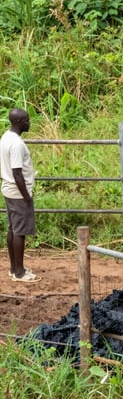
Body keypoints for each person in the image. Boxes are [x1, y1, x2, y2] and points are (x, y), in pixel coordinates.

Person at [0, 108, 39, 282]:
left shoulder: (6, 137)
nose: (29, 123)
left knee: (13, 228)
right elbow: (17, 173)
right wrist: (27, 197)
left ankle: (14, 268)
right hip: (17, 193)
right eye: (26, 120)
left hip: (8, 190)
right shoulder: (16, 144)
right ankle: (20, 272)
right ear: (18, 122)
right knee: (20, 232)